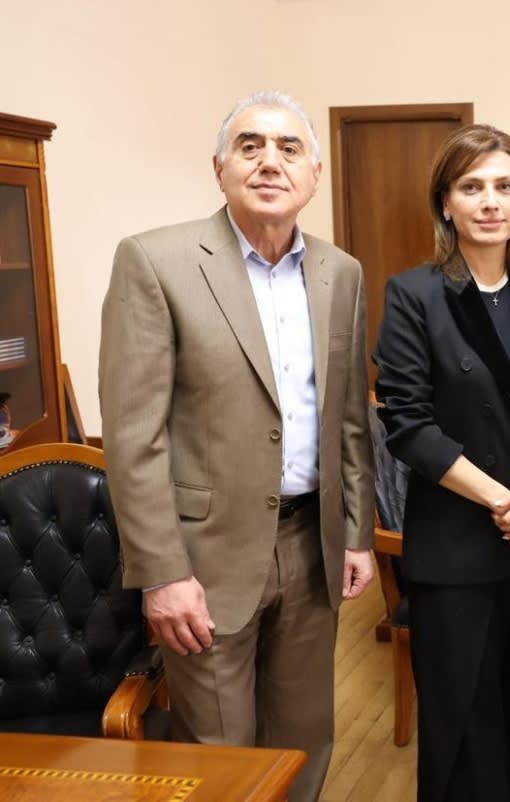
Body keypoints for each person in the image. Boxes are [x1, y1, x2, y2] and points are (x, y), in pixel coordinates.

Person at [99, 91, 375, 802]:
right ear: (220, 167)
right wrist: (162, 573)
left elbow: (347, 418)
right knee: (219, 758)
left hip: (311, 548)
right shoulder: (155, 262)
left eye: (288, 149)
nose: (269, 162)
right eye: (250, 146)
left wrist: (356, 533)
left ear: (314, 172)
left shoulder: (340, 273)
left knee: (306, 740)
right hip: (203, 560)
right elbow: (135, 437)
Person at [373, 123, 510, 802]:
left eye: (504, 185)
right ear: (446, 203)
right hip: (458, 548)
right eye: (472, 187)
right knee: (462, 723)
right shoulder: (414, 294)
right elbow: (407, 424)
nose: (489, 201)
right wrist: (503, 499)